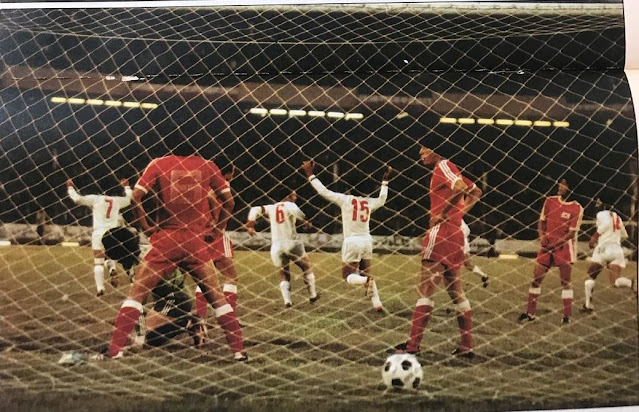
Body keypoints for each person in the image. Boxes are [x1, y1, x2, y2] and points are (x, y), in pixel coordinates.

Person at [100, 136, 246, 361]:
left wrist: (147, 226)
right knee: (218, 299)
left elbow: (136, 197)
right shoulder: (208, 166)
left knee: (136, 296)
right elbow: (230, 202)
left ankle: (115, 350)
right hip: (195, 242)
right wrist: (218, 230)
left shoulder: (159, 163)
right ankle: (239, 353)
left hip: (166, 239)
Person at [395, 146, 481, 358]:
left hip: (442, 232)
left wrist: (443, 214)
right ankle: (467, 346)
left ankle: (413, 346)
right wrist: (458, 213)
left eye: (424, 149)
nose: (420, 153)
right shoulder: (450, 168)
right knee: (456, 291)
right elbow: (476, 192)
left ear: (436, 150)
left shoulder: (443, 166)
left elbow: (460, 188)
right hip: (456, 234)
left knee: (426, 288)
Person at [302, 160, 391, 311]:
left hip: (352, 241)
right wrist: (385, 182)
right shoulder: (369, 202)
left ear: (349, 189)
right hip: (367, 241)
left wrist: (310, 174)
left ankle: (366, 281)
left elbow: (323, 191)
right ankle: (377, 304)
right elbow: (382, 200)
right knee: (366, 272)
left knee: (348, 276)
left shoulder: (345, 199)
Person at [519, 178, 583, 324]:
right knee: (536, 279)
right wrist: (542, 237)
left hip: (563, 248)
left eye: (564, 184)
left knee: (565, 282)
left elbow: (571, 233)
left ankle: (566, 316)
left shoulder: (577, 208)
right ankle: (530, 314)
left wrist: (555, 244)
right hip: (546, 246)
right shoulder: (550, 201)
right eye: (560, 183)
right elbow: (541, 221)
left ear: (571, 188)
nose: (560, 186)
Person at [246, 189, 319, 307]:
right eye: (294, 195)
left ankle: (287, 301)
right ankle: (313, 295)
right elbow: (299, 214)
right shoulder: (290, 205)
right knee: (306, 267)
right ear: (288, 196)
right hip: (292, 242)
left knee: (284, 272)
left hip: (277, 245)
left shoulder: (271, 207)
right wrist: (307, 221)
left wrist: (250, 225)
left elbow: (254, 209)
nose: (296, 197)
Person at [67, 178, 132, 296]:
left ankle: (100, 288)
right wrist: (127, 187)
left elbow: (77, 199)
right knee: (110, 254)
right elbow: (129, 200)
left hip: (99, 232)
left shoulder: (95, 199)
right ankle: (115, 269)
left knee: (98, 262)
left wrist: (70, 187)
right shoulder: (116, 200)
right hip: (113, 233)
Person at [581, 198, 635, 312]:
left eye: (598, 202)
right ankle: (632, 284)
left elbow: (605, 225)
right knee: (615, 281)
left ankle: (588, 305)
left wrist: (594, 237)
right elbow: (624, 235)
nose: (596, 204)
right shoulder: (617, 217)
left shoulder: (601, 214)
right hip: (617, 249)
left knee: (591, 275)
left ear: (603, 204)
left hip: (604, 248)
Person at [461, 219, 489, 288]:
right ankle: (484, 276)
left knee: (467, 265)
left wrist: (459, 237)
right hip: (457, 244)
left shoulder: (457, 220)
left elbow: (467, 230)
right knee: (467, 265)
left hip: (461, 244)